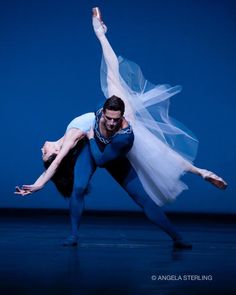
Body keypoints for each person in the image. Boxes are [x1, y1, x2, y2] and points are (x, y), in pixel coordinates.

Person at [15, 8, 227, 249]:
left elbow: (134, 155)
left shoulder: (126, 135)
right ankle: (73, 236)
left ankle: (178, 238)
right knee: (79, 187)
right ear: (104, 112)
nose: (113, 122)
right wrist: (39, 185)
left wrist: (200, 172)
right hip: (92, 151)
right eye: (109, 119)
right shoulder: (75, 135)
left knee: (143, 200)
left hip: (109, 155)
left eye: (117, 119)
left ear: (122, 115)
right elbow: (58, 161)